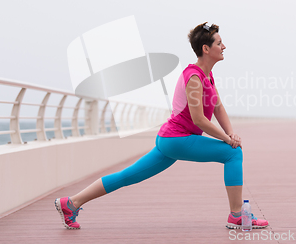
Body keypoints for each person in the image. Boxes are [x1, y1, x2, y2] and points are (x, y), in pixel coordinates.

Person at [55, 22, 268, 230]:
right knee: (233, 154)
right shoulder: (194, 77)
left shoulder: (207, 75)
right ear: (206, 48)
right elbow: (199, 120)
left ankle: (71, 202)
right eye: (219, 43)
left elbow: (218, 107)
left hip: (170, 140)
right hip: (177, 139)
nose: (224, 47)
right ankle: (237, 216)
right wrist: (227, 139)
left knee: (127, 176)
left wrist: (231, 132)